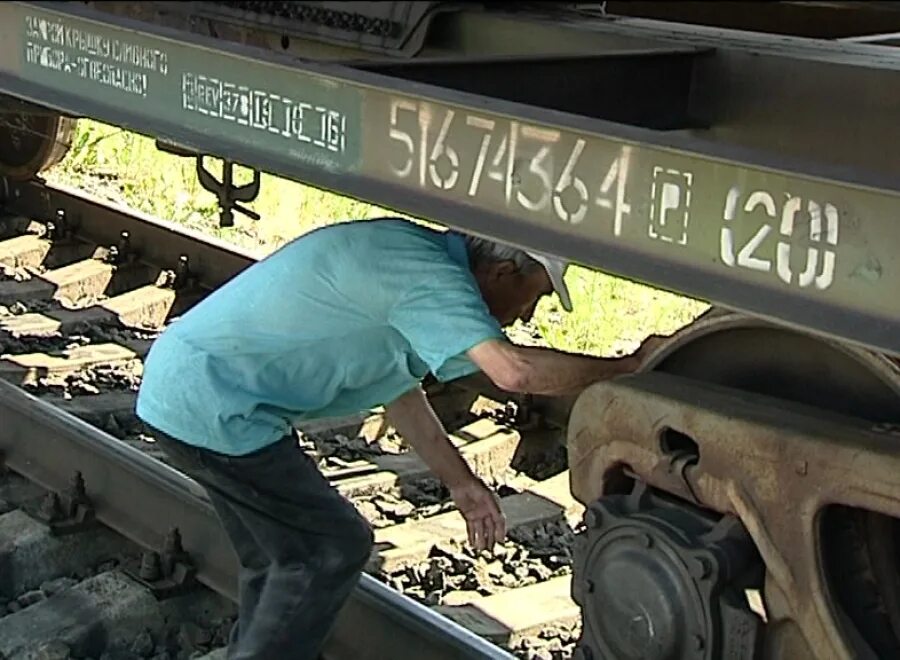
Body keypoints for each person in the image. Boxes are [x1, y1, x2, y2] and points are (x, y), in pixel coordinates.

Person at [135, 216, 658, 660]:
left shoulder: (425, 278)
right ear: (503, 271)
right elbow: (514, 372)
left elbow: (400, 392)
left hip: (190, 388)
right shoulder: (428, 276)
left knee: (275, 557)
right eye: (536, 296)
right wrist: (630, 367)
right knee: (332, 547)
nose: (528, 314)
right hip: (216, 401)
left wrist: (462, 483)